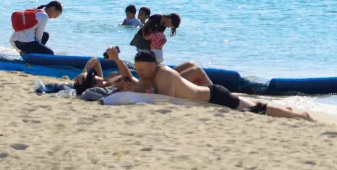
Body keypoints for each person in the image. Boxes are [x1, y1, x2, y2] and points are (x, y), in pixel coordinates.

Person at [109, 48, 312, 120]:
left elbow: (164, 100)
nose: (142, 73)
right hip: (209, 94)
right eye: (140, 70)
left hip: (215, 96)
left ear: (154, 65)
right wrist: (118, 61)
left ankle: (300, 115)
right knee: (250, 107)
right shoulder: (151, 75)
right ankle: (287, 109)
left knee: (257, 109)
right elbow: (135, 81)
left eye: (145, 69)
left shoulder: (163, 75)